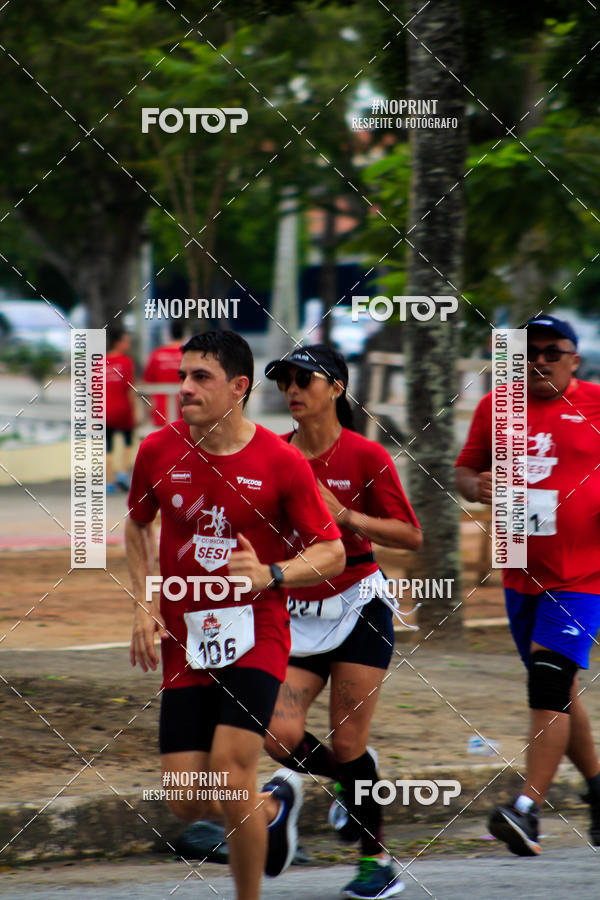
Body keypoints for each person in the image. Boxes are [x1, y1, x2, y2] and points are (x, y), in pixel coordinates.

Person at [126, 330, 345, 900]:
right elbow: (136, 523)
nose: (184, 389)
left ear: (239, 387)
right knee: (184, 796)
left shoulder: (282, 462)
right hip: (188, 634)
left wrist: (272, 574)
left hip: (256, 632)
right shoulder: (157, 449)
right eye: (181, 377)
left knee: (229, 769)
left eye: (201, 378)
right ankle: (272, 808)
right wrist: (145, 604)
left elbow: (331, 551)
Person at [263, 344, 422, 899]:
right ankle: (347, 783)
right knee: (276, 734)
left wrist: (348, 516)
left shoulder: (365, 457)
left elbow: (411, 536)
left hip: (360, 607)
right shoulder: (274, 454)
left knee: (349, 741)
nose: (292, 389)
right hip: (298, 611)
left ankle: (376, 862)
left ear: (336, 388)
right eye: (285, 380)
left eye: (304, 379)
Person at [455, 314, 600, 856]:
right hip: (518, 568)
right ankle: (597, 790)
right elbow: (465, 471)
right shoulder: (498, 404)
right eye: (529, 349)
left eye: (551, 350)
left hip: (584, 574)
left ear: (573, 358)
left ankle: (527, 810)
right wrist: (481, 485)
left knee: (546, 681)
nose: (538, 359)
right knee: (556, 691)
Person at [106, 326, 136, 492]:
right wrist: (135, 412)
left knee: (107, 447)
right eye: (126, 341)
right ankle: (123, 473)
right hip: (123, 410)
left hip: (105, 412)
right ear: (118, 343)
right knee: (128, 443)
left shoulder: (99, 362)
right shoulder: (126, 362)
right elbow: (130, 389)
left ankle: (109, 483)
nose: (128, 344)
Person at [143, 320, 185, 426]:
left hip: (161, 411)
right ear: (184, 333)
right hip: (185, 411)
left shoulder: (156, 355)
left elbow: (147, 384)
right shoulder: (189, 355)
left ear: (169, 334)